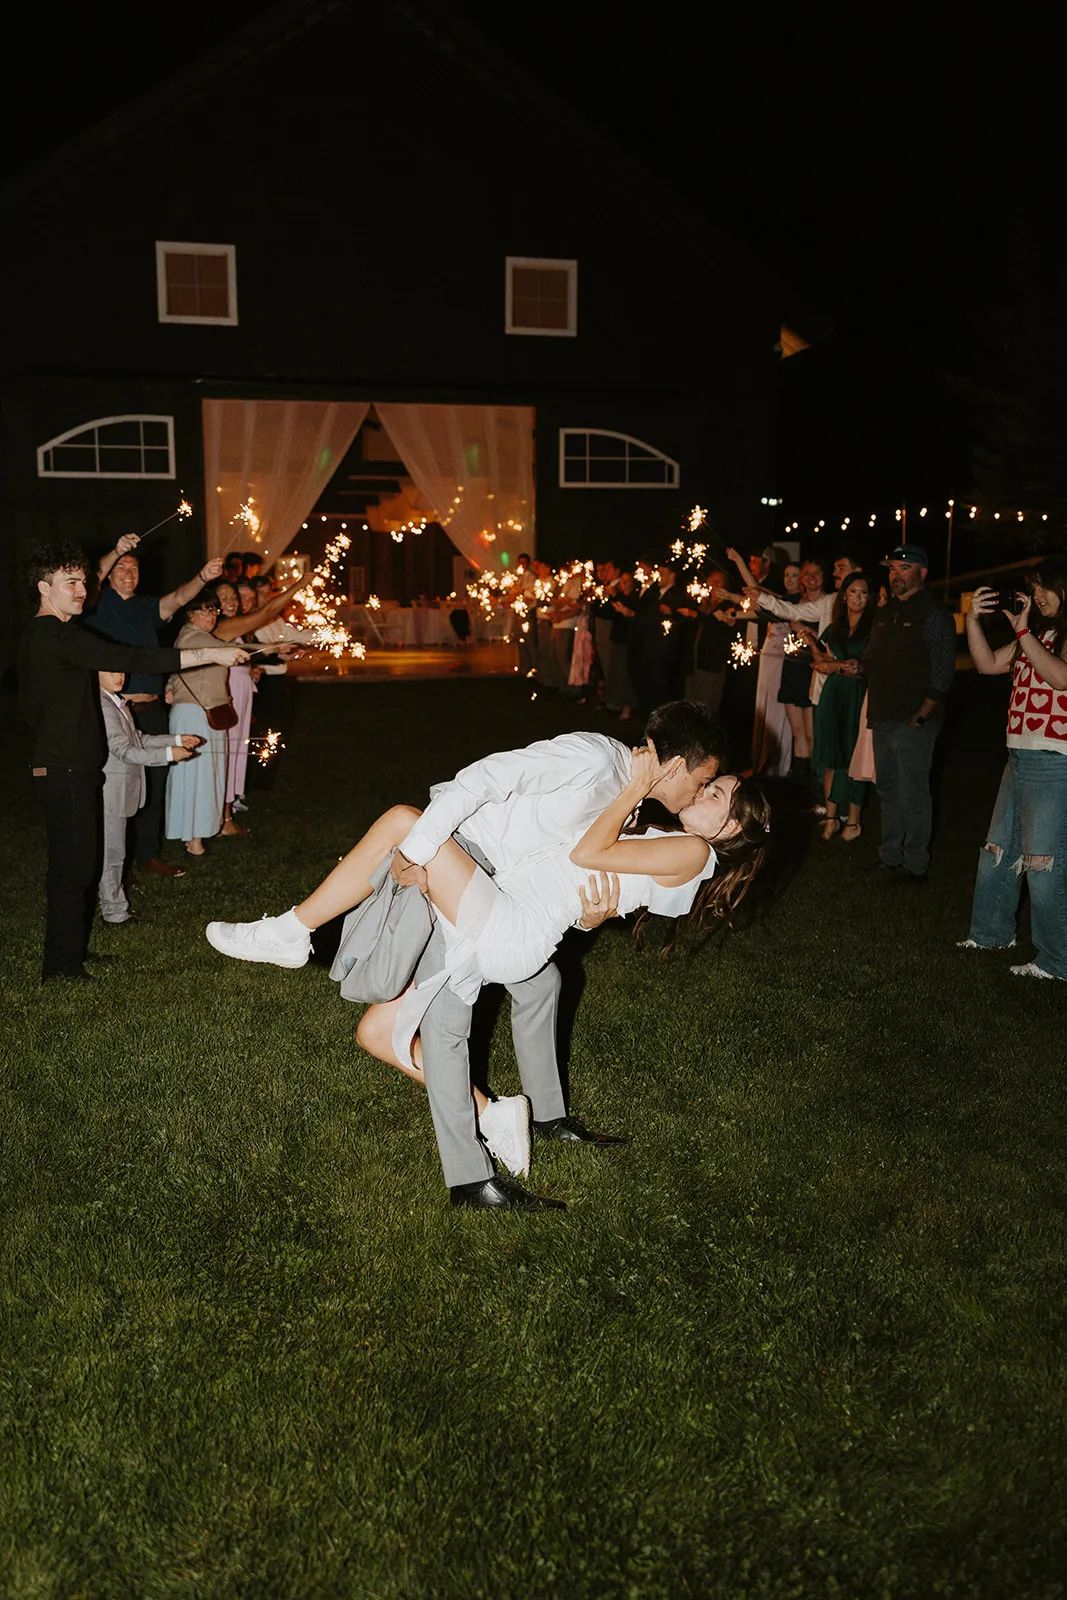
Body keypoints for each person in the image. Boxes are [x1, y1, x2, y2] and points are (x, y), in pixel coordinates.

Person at [206, 701, 729, 1208]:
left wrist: (588, 918)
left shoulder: (630, 802)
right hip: (464, 859)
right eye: (704, 780)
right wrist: (420, 848)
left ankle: (524, 1133)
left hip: (494, 895)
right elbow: (482, 779)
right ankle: (483, 1140)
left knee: (526, 987)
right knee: (406, 1018)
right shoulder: (593, 759)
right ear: (676, 766)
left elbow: (565, 873)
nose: (701, 790)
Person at [18, 543, 245, 981]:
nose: (81, 590)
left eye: (83, 581)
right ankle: (61, 968)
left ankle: (69, 954)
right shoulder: (53, 636)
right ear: (45, 588)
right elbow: (132, 657)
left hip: (73, 767)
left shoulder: (55, 637)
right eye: (71, 582)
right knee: (72, 869)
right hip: (63, 769)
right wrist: (211, 655)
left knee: (80, 866)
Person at [89, 534, 225, 878]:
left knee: (155, 783)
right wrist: (116, 550)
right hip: (115, 710)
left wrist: (203, 577)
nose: (128, 572)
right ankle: (114, 862)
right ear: (109, 573)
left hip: (151, 711)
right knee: (118, 787)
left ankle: (148, 855)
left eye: (134, 567)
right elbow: (92, 579)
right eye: (121, 567)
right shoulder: (96, 604)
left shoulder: (146, 608)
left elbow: (179, 598)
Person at [959, 562, 1067, 978]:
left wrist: (1023, 633)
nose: (1038, 597)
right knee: (997, 852)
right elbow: (986, 664)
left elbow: (1059, 677)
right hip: (1018, 756)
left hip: (1054, 761)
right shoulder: (1034, 634)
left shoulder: (1043, 637)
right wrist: (973, 620)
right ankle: (990, 934)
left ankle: (1057, 960)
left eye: (1046, 588)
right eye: (1034, 589)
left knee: (1043, 863)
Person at [864, 543, 957, 884]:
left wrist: (922, 714)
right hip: (882, 715)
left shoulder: (933, 613)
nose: (896, 574)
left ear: (922, 573)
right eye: (892, 568)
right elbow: (871, 659)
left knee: (912, 792)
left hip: (913, 719)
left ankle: (914, 863)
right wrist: (846, 665)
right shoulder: (885, 612)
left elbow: (943, 671)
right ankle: (889, 857)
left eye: (904, 568)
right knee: (887, 790)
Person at [97, 670, 201, 925]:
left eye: (121, 671)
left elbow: (138, 739)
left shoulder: (116, 701)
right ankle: (114, 913)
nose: (119, 677)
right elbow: (124, 751)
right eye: (111, 672)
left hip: (121, 788)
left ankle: (113, 906)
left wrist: (177, 740)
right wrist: (168, 754)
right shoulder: (104, 705)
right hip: (111, 790)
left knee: (114, 851)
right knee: (111, 853)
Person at [809, 572, 876, 840]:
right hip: (834, 694)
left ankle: (854, 820)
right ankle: (831, 816)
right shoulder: (835, 627)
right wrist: (814, 647)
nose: (858, 597)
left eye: (864, 592)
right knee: (831, 754)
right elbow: (821, 662)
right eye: (853, 592)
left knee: (855, 754)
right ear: (844, 596)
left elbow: (871, 665)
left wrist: (845, 666)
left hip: (859, 694)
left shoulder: (874, 627)